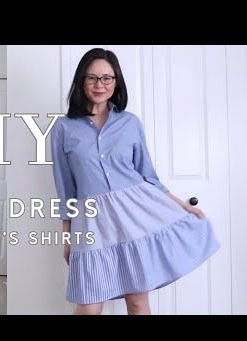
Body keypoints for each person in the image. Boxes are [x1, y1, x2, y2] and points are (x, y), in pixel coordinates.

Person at [51, 48, 220, 315]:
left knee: (137, 301)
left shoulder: (130, 123)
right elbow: (65, 189)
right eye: (92, 78)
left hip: (134, 219)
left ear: (116, 82)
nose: (99, 85)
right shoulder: (63, 128)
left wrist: (182, 206)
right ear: (81, 81)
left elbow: (148, 177)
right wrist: (67, 235)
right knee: (88, 306)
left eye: (107, 78)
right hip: (91, 222)